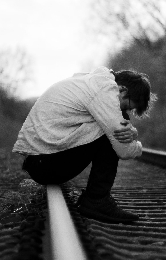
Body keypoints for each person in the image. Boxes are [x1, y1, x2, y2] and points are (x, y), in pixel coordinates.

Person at [13, 67, 154, 224]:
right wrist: (138, 147)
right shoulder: (105, 91)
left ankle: (96, 199)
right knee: (108, 133)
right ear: (122, 90)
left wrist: (131, 132)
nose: (125, 110)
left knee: (109, 126)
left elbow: (117, 127)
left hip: (40, 162)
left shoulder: (92, 82)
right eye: (127, 105)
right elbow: (124, 150)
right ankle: (97, 199)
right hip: (45, 165)